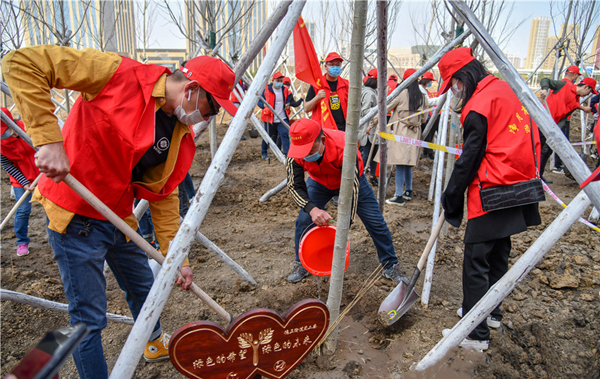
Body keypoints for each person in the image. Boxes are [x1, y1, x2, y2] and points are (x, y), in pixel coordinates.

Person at [2, 45, 236, 379]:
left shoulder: (178, 131)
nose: (210, 118)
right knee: (88, 318)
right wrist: (48, 140)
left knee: (144, 288)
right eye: (211, 108)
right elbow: (21, 63)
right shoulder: (119, 74)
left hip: (119, 219)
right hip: (76, 215)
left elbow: (164, 199)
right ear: (191, 89)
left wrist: (177, 260)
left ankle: (152, 342)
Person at [437, 47, 542, 351]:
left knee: (475, 260)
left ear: (463, 77)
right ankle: (489, 312)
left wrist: (452, 196)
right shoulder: (504, 89)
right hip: (521, 183)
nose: (454, 90)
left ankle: (475, 334)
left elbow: (469, 160)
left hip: (494, 188)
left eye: (454, 83)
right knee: (498, 252)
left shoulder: (479, 105)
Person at [285, 118, 406, 284]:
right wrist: (313, 210)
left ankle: (390, 264)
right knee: (304, 220)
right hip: (319, 182)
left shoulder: (345, 148)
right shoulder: (295, 153)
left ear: (322, 140)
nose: (305, 155)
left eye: (309, 149)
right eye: (302, 151)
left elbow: (353, 190)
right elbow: (294, 185)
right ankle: (300, 263)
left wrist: (344, 225)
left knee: (375, 222)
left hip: (352, 181)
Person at [367, 69, 429, 206]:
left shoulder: (401, 94)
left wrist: (372, 123)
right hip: (415, 132)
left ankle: (398, 196)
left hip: (401, 132)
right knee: (408, 164)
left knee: (400, 163)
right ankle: (408, 191)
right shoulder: (423, 97)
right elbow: (425, 118)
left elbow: (385, 109)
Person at [539, 68, 596, 179]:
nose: (587, 95)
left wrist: (555, 130)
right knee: (536, 149)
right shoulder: (564, 85)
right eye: (589, 92)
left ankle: (539, 177)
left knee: (547, 151)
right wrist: (545, 89)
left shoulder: (576, 102)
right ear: (585, 87)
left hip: (551, 126)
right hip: (540, 120)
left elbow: (564, 119)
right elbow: (545, 80)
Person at [1, 108, 41, 256]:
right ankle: (22, 242)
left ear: (10, 123)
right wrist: (24, 182)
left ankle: (55, 239)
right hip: (20, 179)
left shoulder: (29, 128)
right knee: (23, 209)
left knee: (52, 206)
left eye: (4, 130)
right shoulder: (1, 144)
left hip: (43, 173)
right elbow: (8, 165)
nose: (3, 135)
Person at [304, 52, 349, 131]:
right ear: (325, 66)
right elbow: (306, 108)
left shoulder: (346, 85)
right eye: (331, 64)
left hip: (342, 130)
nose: (335, 67)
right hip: (322, 130)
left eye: (338, 65)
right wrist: (317, 97)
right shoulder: (317, 85)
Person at [258, 72, 292, 157]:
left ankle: (286, 154)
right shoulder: (266, 90)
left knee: (284, 134)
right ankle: (264, 152)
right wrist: (263, 105)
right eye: (278, 80)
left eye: (281, 81)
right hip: (269, 118)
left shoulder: (284, 90)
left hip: (282, 117)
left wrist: (287, 104)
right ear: (273, 80)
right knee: (268, 136)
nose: (279, 82)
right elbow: (259, 101)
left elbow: (287, 100)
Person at [358, 69, 379, 186]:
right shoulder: (369, 93)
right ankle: (360, 176)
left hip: (372, 129)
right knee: (365, 155)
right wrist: (378, 109)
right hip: (367, 129)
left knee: (373, 154)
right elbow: (364, 111)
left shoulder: (372, 92)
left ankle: (372, 176)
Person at [419, 72, 441, 160]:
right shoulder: (420, 89)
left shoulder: (424, 90)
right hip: (423, 116)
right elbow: (427, 103)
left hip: (426, 116)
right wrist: (440, 99)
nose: (430, 83)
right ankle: (428, 153)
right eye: (430, 81)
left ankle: (428, 152)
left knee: (428, 135)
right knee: (426, 135)